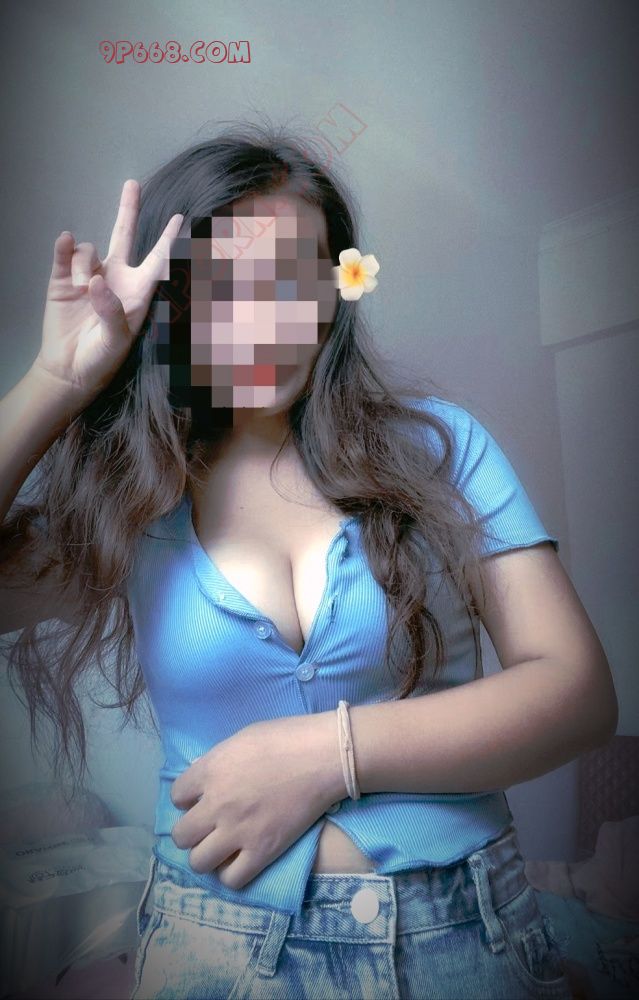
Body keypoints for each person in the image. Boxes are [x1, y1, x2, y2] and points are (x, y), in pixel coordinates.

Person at [0, 123, 617, 1000]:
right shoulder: (125, 498)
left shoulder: (437, 449)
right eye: (222, 287)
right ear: (172, 303)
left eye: (290, 280)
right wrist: (55, 381)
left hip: (461, 935)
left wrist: (326, 754)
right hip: (213, 952)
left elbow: (577, 692)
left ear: (335, 288)